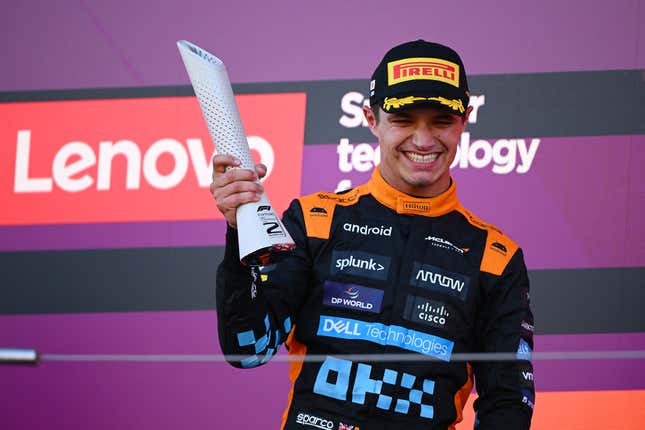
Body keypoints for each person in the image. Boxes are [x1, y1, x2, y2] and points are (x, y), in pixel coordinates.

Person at [211, 40, 535, 430]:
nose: (423, 140)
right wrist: (238, 231)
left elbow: (508, 403)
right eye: (403, 119)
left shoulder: (495, 257)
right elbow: (247, 349)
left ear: (465, 120)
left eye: (441, 121)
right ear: (371, 119)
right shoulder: (316, 221)